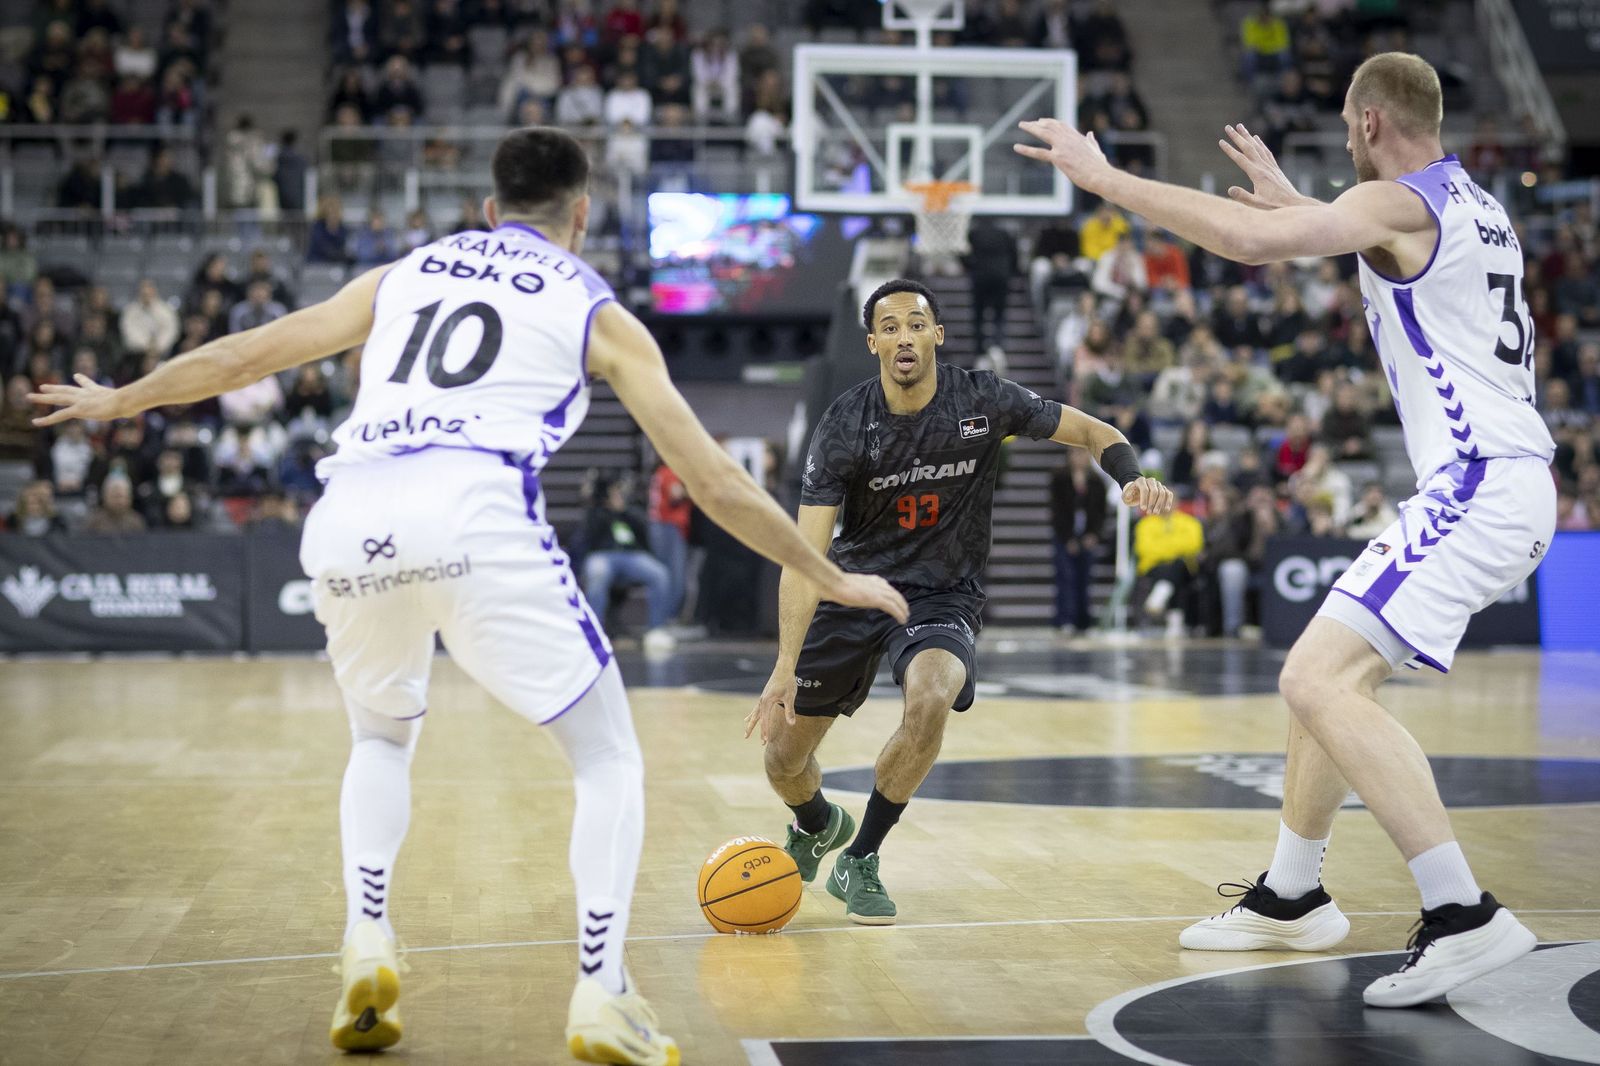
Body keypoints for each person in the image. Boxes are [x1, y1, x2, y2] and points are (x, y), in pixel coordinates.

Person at [30, 126, 906, 1066]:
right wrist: (830, 573)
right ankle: (603, 992)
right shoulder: (593, 304)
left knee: (378, 738)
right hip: (473, 510)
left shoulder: (407, 271)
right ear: (579, 215)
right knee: (607, 757)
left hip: (349, 511)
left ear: (490, 210)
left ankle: (366, 935)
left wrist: (125, 397)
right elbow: (715, 484)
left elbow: (255, 352)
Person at [1017, 52, 1558, 1006]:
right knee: (1325, 673)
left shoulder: (1398, 204)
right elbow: (1369, 241)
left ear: (1369, 125)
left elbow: (1257, 247)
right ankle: (1292, 894)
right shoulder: (1474, 203)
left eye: (1349, 127)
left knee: (1313, 678)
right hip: (1502, 480)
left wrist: (1103, 180)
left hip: (1478, 482)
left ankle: (1461, 911)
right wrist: (1297, 204)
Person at [744, 278, 1173, 925]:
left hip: (944, 593)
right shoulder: (844, 425)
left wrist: (1131, 475)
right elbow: (804, 558)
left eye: (916, 323)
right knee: (783, 758)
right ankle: (816, 822)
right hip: (854, 588)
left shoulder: (983, 401)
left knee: (933, 695)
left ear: (937, 334)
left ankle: (861, 855)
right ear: (872, 344)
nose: (904, 336)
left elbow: (1092, 430)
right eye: (889, 327)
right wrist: (783, 666)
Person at [580, 474, 674, 644]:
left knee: (660, 574)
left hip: (631, 555)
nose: (617, 496)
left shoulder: (630, 512)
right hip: (603, 554)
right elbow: (588, 536)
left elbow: (642, 529)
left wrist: (623, 511)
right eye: (613, 493)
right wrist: (602, 507)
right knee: (598, 572)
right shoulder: (596, 512)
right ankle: (595, 631)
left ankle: (656, 629)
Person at [1049, 446, 1108, 633]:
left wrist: (1094, 534)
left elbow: (1101, 513)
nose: (1079, 457)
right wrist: (1067, 538)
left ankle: (1084, 621)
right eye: (1074, 453)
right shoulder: (1060, 479)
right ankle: (1065, 619)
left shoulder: (1097, 481)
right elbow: (1057, 511)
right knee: (1065, 578)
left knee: (1085, 579)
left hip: (1087, 536)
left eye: (1082, 453)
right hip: (1064, 537)